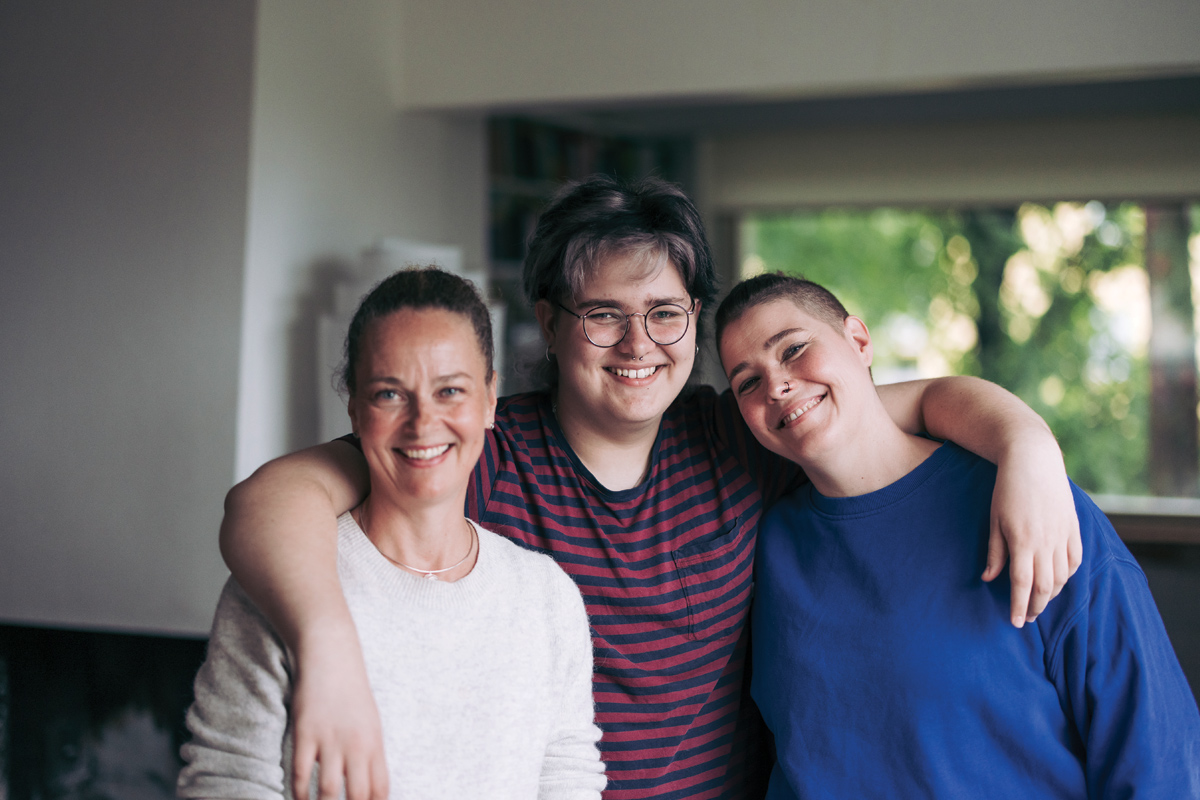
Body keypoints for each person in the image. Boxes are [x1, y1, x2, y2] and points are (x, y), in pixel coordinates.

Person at [220, 176, 1083, 800]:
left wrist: (1027, 440)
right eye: (603, 314)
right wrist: (326, 650)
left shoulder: (741, 432)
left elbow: (914, 402)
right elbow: (268, 499)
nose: (639, 343)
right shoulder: (477, 442)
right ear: (553, 325)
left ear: (692, 323)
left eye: (664, 313)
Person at [716, 272, 1200, 799]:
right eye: (747, 382)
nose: (776, 385)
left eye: (793, 349)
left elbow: (1158, 763)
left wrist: (1028, 443)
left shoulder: (1031, 503)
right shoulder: (764, 544)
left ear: (859, 341)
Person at [178, 269, 605, 799]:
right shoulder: (283, 582)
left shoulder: (547, 597)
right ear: (354, 409)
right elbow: (226, 780)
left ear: (491, 399)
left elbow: (569, 779)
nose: (423, 422)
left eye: (450, 390)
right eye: (389, 394)